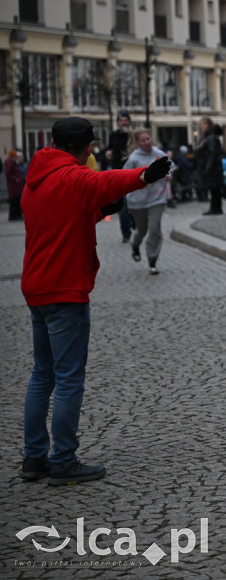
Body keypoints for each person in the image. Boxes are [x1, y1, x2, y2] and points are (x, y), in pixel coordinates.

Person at [19, 117, 170, 485]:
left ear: (53, 142)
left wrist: (100, 211)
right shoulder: (74, 177)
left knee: (42, 375)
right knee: (69, 379)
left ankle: (34, 458)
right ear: (87, 148)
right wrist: (144, 176)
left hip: (36, 287)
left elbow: (62, 216)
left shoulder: (35, 178)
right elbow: (103, 181)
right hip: (65, 289)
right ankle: (64, 460)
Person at [124, 130, 173, 275]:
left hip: (156, 198)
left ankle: (152, 260)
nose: (147, 142)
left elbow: (171, 167)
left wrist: (167, 176)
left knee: (154, 228)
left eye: (148, 138)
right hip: (137, 200)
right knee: (142, 230)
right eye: (143, 140)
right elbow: (125, 176)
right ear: (138, 143)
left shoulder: (159, 154)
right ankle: (135, 244)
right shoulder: (134, 158)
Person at [105, 112, 135, 242]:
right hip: (118, 171)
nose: (123, 122)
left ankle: (134, 223)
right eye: (121, 120)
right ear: (118, 122)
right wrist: (108, 153)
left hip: (132, 171)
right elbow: (109, 149)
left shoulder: (133, 135)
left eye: (125, 120)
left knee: (134, 202)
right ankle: (126, 233)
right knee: (122, 204)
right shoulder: (114, 135)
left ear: (129, 121)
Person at [195, 116, 225, 215]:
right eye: (201, 124)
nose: (202, 126)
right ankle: (215, 208)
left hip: (213, 168)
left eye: (204, 124)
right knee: (214, 189)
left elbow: (212, 153)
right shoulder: (208, 137)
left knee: (214, 189)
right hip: (212, 167)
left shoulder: (211, 138)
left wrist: (208, 167)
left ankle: (215, 208)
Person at [5, 150, 25, 220]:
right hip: (13, 186)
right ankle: (13, 216)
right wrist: (16, 179)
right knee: (14, 201)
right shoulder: (10, 163)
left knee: (17, 200)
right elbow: (8, 174)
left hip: (16, 186)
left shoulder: (13, 162)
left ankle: (17, 215)